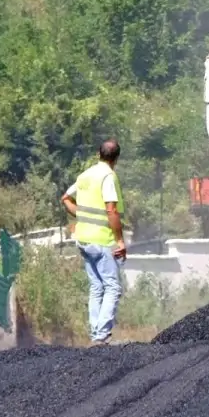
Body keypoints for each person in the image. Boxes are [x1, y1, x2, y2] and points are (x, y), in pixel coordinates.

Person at [61, 139, 127, 346]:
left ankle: (95, 333)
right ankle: (101, 336)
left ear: (98, 154)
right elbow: (111, 210)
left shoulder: (85, 175)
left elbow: (65, 198)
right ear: (116, 158)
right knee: (112, 287)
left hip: (84, 238)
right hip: (102, 240)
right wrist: (119, 240)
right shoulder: (108, 176)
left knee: (97, 287)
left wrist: (81, 215)